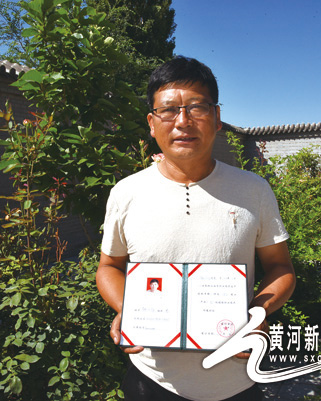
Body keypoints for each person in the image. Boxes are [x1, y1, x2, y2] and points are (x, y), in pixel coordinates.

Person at [96, 56, 295, 401]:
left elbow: (281, 267)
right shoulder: (126, 193)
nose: (183, 121)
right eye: (168, 110)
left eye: (197, 108)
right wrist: (128, 309)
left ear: (216, 118)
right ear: (151, 123)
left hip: (236, 382)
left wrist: (257, 312)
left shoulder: (253, 190)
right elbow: (109, 266)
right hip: (151, 380)